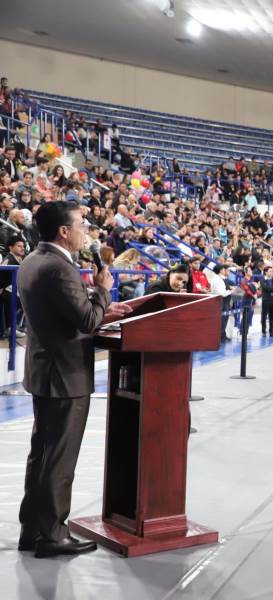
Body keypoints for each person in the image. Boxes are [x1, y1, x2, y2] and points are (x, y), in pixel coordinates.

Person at [17, 201, 132, 558]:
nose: (87, 230)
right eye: (81, 224)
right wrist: (102, 291)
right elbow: (84, 321)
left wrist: (101, 311)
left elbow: (65, 314)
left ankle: (32, 530)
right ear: (64, 232)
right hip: (65, 376)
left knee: (42, 456)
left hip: (44, 371)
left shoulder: (34, 260)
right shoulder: (59, 266)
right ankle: (53, 535)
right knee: (60, 461)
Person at [260, 265, 273, 338]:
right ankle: (264, 332)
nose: (272, 272)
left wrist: (270, 289)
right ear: (266, 272)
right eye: (270, 271)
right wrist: (272, 289)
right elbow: (265, 288)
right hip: (266, 300)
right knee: (264, 317)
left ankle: (271, 332)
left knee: (271, 317)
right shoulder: (263, 280)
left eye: (272, 271)